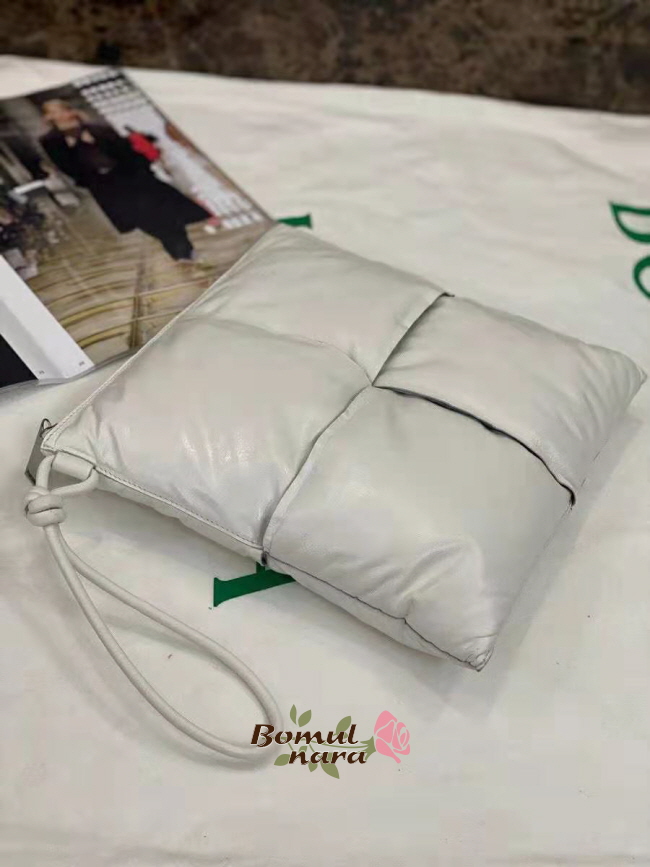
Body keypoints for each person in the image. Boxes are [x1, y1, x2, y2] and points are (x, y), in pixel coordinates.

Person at [39, 99, 210, 261]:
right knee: (142, 219)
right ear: (48, 117)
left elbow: (125, 151)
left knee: (164, 213)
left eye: (61, 110)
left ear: (70, 111)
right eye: (53, 112)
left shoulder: (99, 129)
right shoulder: (51, 140)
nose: (59, 115)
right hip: (105, 186)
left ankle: (183, 252)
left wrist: (96, 144)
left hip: (134, 178)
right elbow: (65, 165)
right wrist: (79, 149)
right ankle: (181, 251)